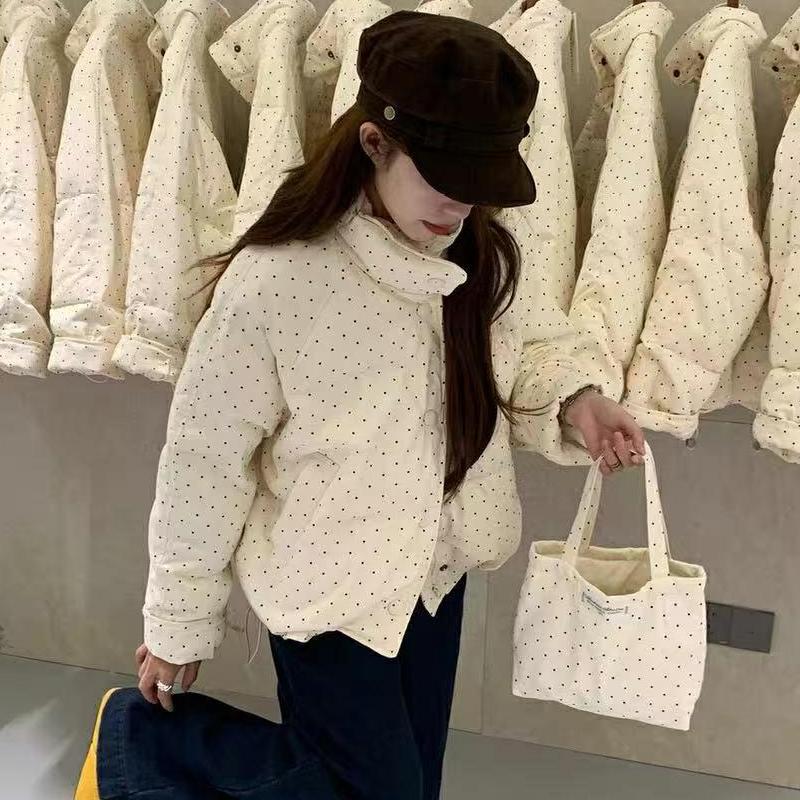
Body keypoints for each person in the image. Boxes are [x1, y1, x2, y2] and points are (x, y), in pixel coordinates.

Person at [74, 10, 645, 800]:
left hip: (435, 576)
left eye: (477, 188)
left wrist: (578, 400)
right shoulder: (278, 278)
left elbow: (529, 345)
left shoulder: (478, 253)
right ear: (376, 142)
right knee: (375, 790)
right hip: (327, 585)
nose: (459, 207)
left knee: (409, 786)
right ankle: (139, 742)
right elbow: (205, 460)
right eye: (443, 179)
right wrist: (178, 622)